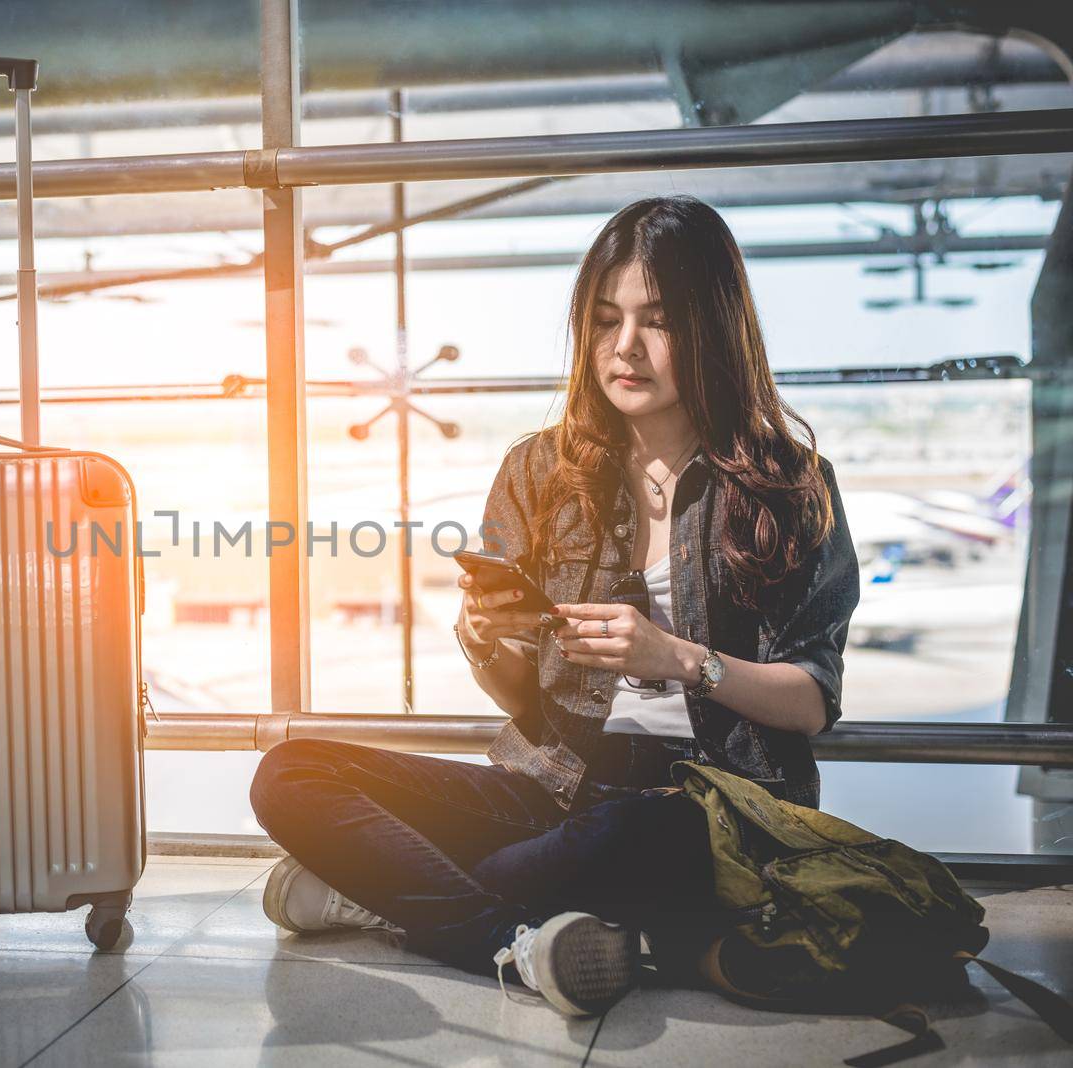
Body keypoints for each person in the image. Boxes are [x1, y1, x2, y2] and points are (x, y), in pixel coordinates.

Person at [249, 194, 862, 1015]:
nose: (625, 348)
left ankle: (395, 900)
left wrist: (680, 660)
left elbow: (813, 700)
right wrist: (487, 638)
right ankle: (528, 938)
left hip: (706, 803)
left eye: (658, 320)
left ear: (714, 328)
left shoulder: (789, 486)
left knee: (628, 836)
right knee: (288, 774)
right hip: (553, 784)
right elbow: (522, 699)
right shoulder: (539, 472)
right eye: (606, 319)